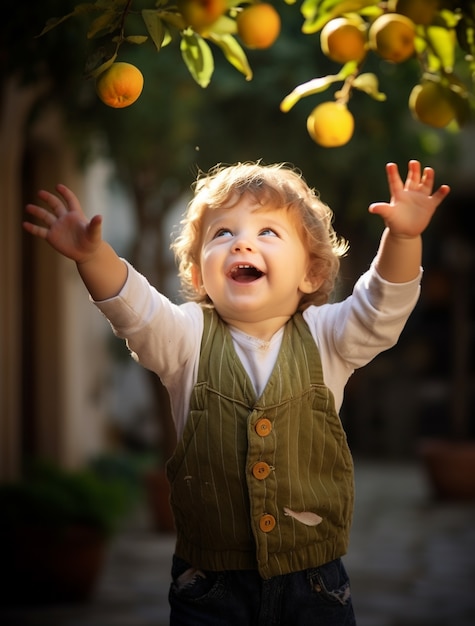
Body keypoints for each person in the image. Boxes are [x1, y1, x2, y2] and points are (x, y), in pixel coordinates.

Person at [24, 159, 450, 625]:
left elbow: (381, 307)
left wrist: (404, 238)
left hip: (313, 582)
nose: (241, 241)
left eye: (268, 232)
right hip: (210, 587)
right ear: (200, 274)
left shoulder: (329, 337)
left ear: (310, 273)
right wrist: (93, 258)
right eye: (222, 233)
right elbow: (136, 309)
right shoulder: (185, 339)